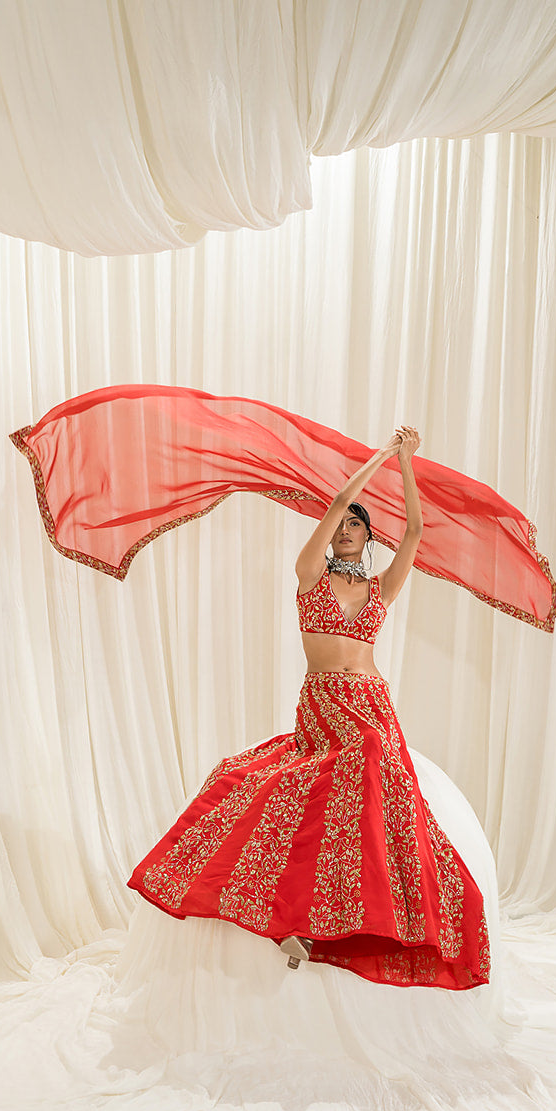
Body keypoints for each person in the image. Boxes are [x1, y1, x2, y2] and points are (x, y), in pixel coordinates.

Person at [127, 424, 491, 991]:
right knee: (351, 759)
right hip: (325, 700)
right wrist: (381, 457)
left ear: (369, 538)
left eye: (356, 527)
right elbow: (342, 499)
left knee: (381, 776)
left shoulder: (380, 589)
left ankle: (349, 923)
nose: (345, 530)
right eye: (339, 525)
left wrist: (409, 465)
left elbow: (416, 530)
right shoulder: (308, 576)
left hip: (371, 698)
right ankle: (302, 920)